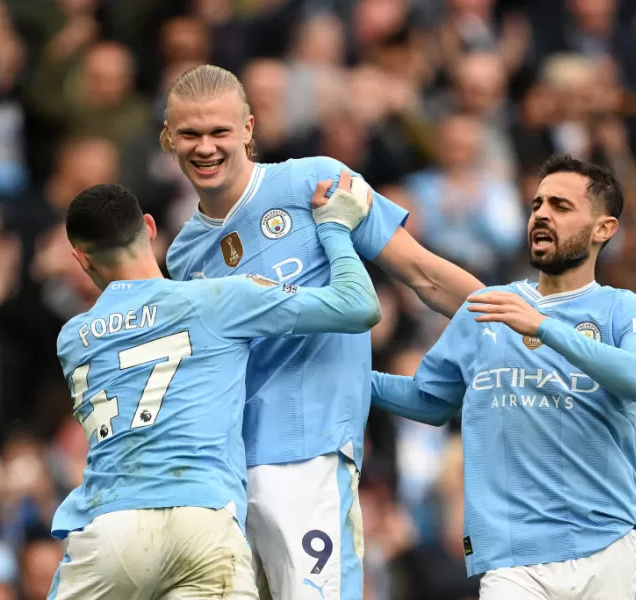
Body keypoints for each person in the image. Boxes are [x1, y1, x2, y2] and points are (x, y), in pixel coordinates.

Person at [162, 63, 484, 600]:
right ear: (168, 137)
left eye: (219, 131)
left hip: (307, 457)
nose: (205, 147)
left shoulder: (316, 180)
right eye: (190, 134)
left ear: (248, 128)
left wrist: (520, 329)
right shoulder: (183, 253)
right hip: (228, 478)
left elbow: (425, 276)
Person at [47, 179, 381, 599]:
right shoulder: (216, 300)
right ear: (150, 228)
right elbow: (359, 305)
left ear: (81, 258)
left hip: (110, 526)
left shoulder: (73, 339)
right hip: (203, 519)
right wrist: (335, 227)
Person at [370, 155, 636, 599]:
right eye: (536, 204)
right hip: (512, 555)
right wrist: (356, 379)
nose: (542, 214)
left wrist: (544, 327)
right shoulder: (491, 307)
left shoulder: (627, 310)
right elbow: (431, 400)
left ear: (604, 228)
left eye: (561, 206)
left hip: (604, 542)